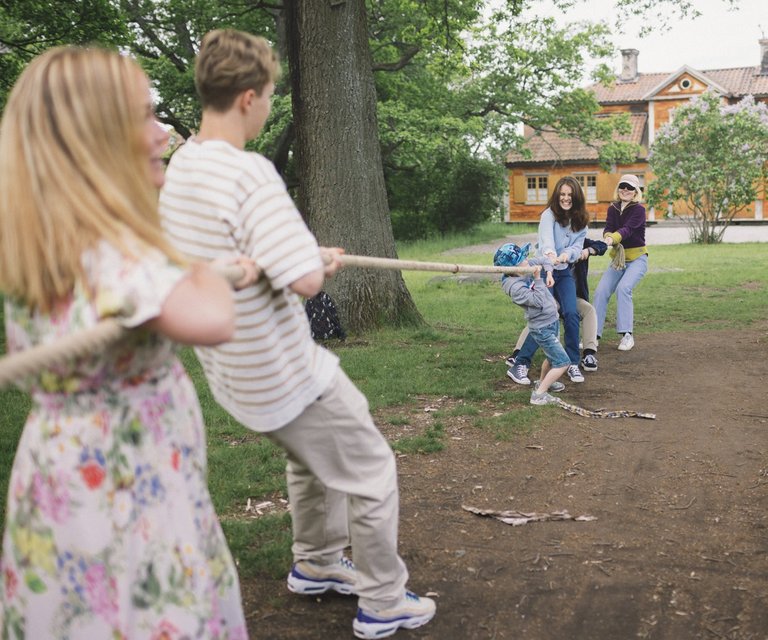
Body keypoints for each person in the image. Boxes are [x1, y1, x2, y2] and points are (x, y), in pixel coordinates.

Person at [158, 29, 435, 640]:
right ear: (251, 98)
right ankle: (384, 600)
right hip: (281, 370)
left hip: (235, 375)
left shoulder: (182, 165)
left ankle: (315, 562)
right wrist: (319, 262)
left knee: (313, 462)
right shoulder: (249, 173)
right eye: (271, 94)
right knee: (370, 470)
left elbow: (242, 254)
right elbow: (307, 280)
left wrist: (298, 256)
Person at [0, 47, 250, 638]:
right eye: (146, 115)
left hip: (57, 472)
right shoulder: (118, 252)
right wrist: (205, 244)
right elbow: (213, 318)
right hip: (128, 487)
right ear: (97, 142)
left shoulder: (37, 244)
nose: (164, 130)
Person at [507, 176, 588, 386]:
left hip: (564, 272)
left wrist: (567, 256)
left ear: (576, 197)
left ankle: (571, 362)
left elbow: (578, 248)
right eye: (562, 194)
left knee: (571, 313)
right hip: (543, 271)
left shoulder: (581, 221)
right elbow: (546, 242)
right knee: (544, 315)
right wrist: (552, 256)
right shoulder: (548, 215)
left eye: (570, 195)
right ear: (557, 196)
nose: (565, 199)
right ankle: (520, 363)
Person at [506, 237, 607, 372]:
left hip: (571, 298)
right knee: (542, 316)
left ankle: (589, 354)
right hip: (549, 298)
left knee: (588, 310)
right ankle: (518, 354)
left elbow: (602, 245)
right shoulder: (549, 246)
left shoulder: (578, 242)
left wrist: (588, 251)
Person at [494, 243, 569, 405]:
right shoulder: (515, 288)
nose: (527, 260)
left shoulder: (525, 267)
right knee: (563, 362)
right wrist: (537, 278)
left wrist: (548, 273)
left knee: (551, 357)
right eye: (522, 259)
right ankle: (539, 395)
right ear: (513, 269)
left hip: (552, 320)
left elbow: (545, 260)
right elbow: (538, 300)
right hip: (542, 327)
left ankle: (543, 383)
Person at [593, 174, 649, 351]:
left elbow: (627, 230)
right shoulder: (612, 208)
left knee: (623, 289)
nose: (625, 190)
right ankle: (592, 336)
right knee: (601, 291)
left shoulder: (639, 210)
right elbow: (608, 228)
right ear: (618, 188)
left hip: (637, 259)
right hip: (618, 260)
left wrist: (611, 240)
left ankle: (627, 335)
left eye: (630, 187)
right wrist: (607, 236)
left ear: (635, 192)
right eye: (623, 186)